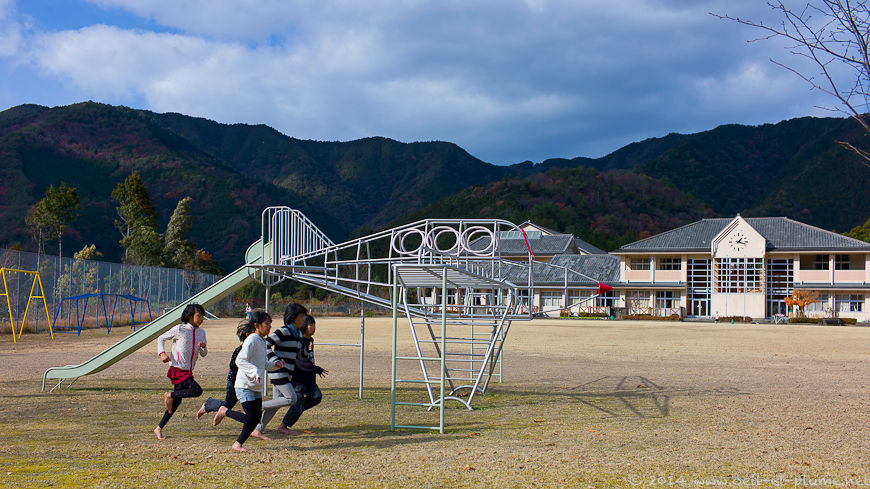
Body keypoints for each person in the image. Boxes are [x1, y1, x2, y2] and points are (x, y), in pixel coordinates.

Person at [213, 309, 284, 452]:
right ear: (256, 325)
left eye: (270, 323)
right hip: (244, 385)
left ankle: (237, 444)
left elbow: (263, 364)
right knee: (251, 419)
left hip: (255, 385)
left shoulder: (262, 342)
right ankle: (224, 411)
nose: (270, 326)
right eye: (267, 323)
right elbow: (240, 360)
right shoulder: (251, 339)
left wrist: (275, 365)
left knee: (255, 419)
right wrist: (254, 372)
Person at [154, 303, 208, 440]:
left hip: (188, 371)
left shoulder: (202, 332)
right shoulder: (180, 329)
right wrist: (162, 354)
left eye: (202, 316)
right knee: (197, 390)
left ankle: (158, 428)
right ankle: (169, 395)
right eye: (199, 316)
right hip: (177, 369)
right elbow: (161, 338)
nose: (201, 318)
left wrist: (202, 348)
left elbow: (204, 354)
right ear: (190, 316)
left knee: (176, 403)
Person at [255, 303, 307, 435]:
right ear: (293, 317)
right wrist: (274, 360)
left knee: (276, 404)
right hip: (278, 371)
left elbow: (298, 354)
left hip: (287, 372)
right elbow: (265, 344)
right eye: (302, 316)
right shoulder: (283, 331)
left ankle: (257, 429)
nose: (304, 319)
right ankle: (257, 407)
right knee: (292, 399)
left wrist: (307, 351)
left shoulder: (299, 334)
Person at [195, 321, 254, 420]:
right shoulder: (241, 350)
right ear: (248, 335)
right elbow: (233, 366)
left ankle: (256, 423)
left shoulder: (252, 349)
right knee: (227, 406)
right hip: (235, 382)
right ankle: (207, 405)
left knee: (228, 405)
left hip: (245, 382)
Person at [284, 315, 327, 431]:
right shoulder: (298, 341)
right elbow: (300, 363)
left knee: (316, 397)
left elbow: (309, 359)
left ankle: (298, 408)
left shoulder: (310, 340)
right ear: (304, 326)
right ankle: (284, 426)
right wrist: (316, 369)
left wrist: (314, 370)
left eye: (314, 325)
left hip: (309, 378)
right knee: (298, 403)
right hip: (298, 379)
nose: (313, 327)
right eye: (311, 325)